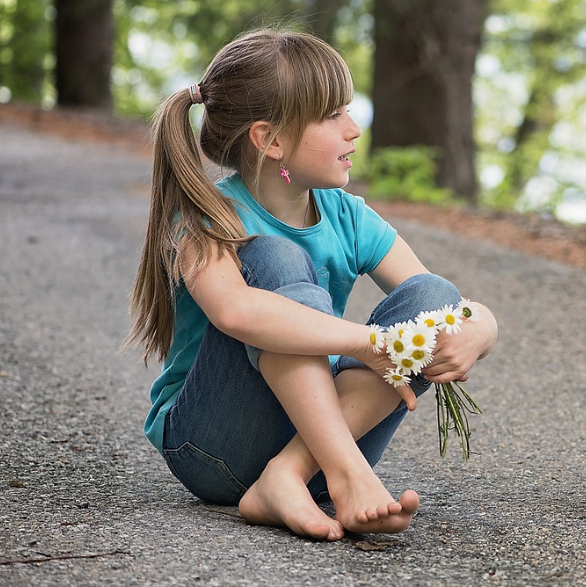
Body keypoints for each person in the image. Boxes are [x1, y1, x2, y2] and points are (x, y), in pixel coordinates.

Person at [125, 29, 498, 541]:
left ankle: (290, 474)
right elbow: (235, 313)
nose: (354, 130)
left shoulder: (348, 217)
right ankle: (344, 474)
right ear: (270, 139)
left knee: (433, 297)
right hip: (215, 447)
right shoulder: (207, 217)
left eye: (348, 110)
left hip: (320, 445)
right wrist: (369, 342)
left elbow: (439, 300)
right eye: (332, 115)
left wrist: (481, 328)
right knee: (276, 256)